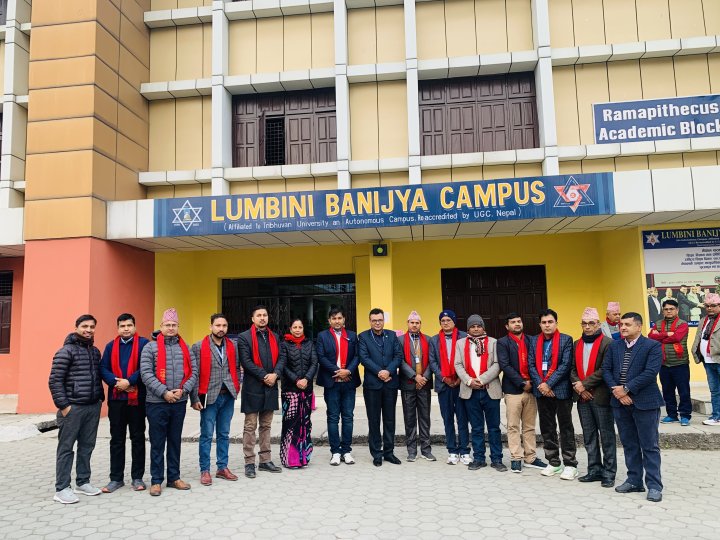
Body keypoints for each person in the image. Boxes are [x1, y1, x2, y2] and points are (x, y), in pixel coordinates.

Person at [603, 312, 664, 502]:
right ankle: (634, 480)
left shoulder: (652, 346)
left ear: (639, 326)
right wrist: (618, 392)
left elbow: (650, 372)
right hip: (620, 402)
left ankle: (654, 486)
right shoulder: (615, 346)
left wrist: (626, 389)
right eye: (621, 324)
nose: (622, 327)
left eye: (627, 324)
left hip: (645, 402)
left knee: (649, 445)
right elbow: (606, 370)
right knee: (629, 444)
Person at [141, 308, 197, 496]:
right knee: (157, 442)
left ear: (178, 326)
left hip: (179, 402)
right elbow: (146, 374)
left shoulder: (185, 347)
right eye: (167, 325)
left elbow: (194, 372)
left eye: (174, 325)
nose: (171, 328)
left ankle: (174, 477)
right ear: (161, 326)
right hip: (156, 403)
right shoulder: (150, 347)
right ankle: (156, 480)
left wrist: (184, 390)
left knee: (174, 441)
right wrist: (164, 392)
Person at [49, 314, 104, 504]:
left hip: (92, 406)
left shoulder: (95, 352)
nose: (88, 330)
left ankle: (83, 482)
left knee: (87, 446)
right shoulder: (66, 351)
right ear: (76, 327)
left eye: (92, 327)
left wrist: (100, 399)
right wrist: (64, 406)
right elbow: (55, 381)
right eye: (84, 326)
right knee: (66, 448)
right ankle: (62, 488)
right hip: (73, 408)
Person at [99, 313, 150, 493]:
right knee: (117, 439)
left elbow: (145, 368)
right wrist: (116, 383)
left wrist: (129, 381)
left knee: (138, 438)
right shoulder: (110, 346)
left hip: (137, 400)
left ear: (135, 326)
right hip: (116, 400)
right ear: (118, 328)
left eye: (129, 325)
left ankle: (137, 477)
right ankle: (116, 478)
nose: (126, 329)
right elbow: (103, 368)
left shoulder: (144, 344)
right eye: (122, 326)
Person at [190, 313, 241, 486]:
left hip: (228, 395)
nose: (221, 329)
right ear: (210, 327)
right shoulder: (198, 347)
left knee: (224, 434)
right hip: (208, 395)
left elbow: (236, 368)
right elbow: (194, 374)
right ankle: (205, 470)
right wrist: (195, 398)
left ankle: (222, 467)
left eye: (224, 326)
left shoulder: (233, 345)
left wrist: (237, 386)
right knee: (206, 434)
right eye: (218, 325)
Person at [529, 309, 578, 480]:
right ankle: (554, 462)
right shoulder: (534, 340)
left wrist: (548, 384)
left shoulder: (566, 339)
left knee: (566, 428)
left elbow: (565, 365)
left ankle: (570, 464)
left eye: (550, 322)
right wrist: (542, 385)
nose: (547, 325)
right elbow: (531, 365)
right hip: (541, 391)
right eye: (544, 322)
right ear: (540, 324)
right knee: (547, 427)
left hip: (561, 390)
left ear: (556, 323)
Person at [237, 305, 285, 478]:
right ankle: (249, 462)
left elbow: (282, 358)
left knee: (266, 425)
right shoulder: (244, 337)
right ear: (253, 318)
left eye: (265, 315)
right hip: (253, 387)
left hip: (270, 387)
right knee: (250, 426)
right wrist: (265, 376)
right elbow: (246, 361)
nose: (262, 318)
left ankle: (265, 460)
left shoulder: (275, 337)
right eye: (259, 315)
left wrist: (276, 374)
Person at [570, 307, 616, 488]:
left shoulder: (608, 343)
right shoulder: (576, 344)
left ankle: (609, 473)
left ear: (598, 324)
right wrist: (580, 388)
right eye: (584, 324)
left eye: (591, 323)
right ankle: (594, 470)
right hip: (582, 397)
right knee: (589, 436)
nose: (587, 327)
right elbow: (572, 369)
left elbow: (605, 369)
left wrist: (584, 385)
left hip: (601, 396)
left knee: (607, 436)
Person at [496, 312, 547, 473]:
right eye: (513, 322)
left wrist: (532, 383)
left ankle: (530, 457)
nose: (517, 324)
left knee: (529, 426)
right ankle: (516, 458)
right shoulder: (502, 342)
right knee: (513, 426)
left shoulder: (532, 340)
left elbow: (536, 362)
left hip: (532, 389)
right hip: (513, 390)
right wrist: (521, 383)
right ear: (507, 326)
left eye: (519, 321)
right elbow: (505, 365)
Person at [454, 315, 506, 472]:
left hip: (490, 390)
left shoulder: (493, 342)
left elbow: (497, 364)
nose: (476, 329)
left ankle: (497, 459)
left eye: (479, 326)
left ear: (483, 327)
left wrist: (482, 379)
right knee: (476, 428)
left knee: (494, 427)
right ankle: (479, 458)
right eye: (472, 326)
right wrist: (469, 381)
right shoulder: (460, 343)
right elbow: (458, 364)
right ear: (468, 329)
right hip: (470, 391)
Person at [315, 307, 361, 466]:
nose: (337, 321)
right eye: (334, 318)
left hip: (349, 382)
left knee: (348, 417)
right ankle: (335, 452)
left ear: (344, 319)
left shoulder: (352, 336)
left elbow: (357, 356)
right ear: (329, 321)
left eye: (339, 318)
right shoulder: (322, 336)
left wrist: (347, 371)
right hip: (331, 382)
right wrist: (338, 371)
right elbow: (321, 357)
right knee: (333, 417)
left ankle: (346, 451)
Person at [358, 308, 403, 466]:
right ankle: (377, 453)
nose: (377, 323)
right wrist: (379, 372)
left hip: (390, 384)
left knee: (390, 420)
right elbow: (364, 358)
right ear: (370, 321)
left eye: (380, 320)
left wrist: (388, 371)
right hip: (372, 385)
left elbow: (398, 355)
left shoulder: (392, 335)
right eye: (374, 320)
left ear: (384, 320)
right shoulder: (363, 337)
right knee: (374, 420)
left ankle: (389, 452)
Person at [429, 309, 470, 465]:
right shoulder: (434, 340)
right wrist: (444, 378)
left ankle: (464, 450)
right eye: (443, 321)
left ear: (454, 322)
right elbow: (432, 362)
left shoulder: (464, 337)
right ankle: (452, 450)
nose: (445, 323)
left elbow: (468, 359)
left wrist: (460, 378)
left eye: (448, 320)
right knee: (447, 419)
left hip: (461, 384)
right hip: (443, 385)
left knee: (462, 418)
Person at [279, 318, 318, 469]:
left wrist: (306, 379)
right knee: (290, 425)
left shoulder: (309, 344)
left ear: (303, 329)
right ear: (290, 329)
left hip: (306, 390)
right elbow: (283, 366)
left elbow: (314, 362)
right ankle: (290, 459)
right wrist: (296, 380)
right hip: (290, 391)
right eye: (294, 327)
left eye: (300, 327)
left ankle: (304, 458)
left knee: (305, 424)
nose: (297, 330)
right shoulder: (284, 345)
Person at [397, 311, 435, 462]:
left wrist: (424, 377)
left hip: (424, 384)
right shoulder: (400, 340)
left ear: (420, 324)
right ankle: (411, 451)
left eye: (417, 323)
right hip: (408, 384)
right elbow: (400, 361)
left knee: (425, 418)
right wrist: (414, 376)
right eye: (412, 322)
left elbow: (432, 360)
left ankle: (426, 450)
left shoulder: (428, 339)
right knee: (410, 418)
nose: (414, 325)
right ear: (407, 323)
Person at [648, 299, 692, 426]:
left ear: (677, 310)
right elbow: (651, 337)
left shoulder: (682, 324)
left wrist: (660, 336)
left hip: (680, 363)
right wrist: (667, 334)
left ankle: (685, 415)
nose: (668, 311)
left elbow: (677, 337)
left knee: (684, 391)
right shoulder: (658, 323)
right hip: (663, 363)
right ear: (663, 311)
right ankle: (672, 415)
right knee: (667, 391)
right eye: (666, 309)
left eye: (671, 309)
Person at [692, 292, 720, 426]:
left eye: (713, 305)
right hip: (708, 361)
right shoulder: (704, 320)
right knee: (715, 391)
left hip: (718, 360)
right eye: (707, 306)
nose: (709, 308)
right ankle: (716, 417)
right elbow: (699, 337)